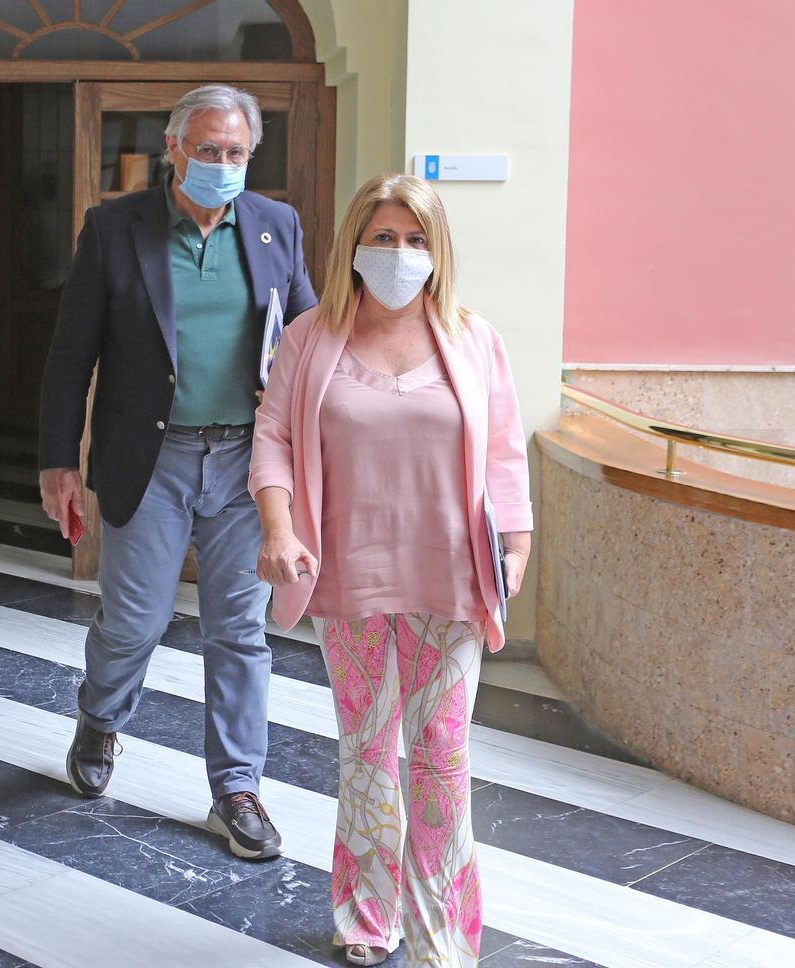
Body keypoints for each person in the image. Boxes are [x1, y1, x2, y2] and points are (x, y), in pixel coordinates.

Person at [249, 173, 533, 967]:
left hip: (452, 579)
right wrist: (278, 528)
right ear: (354, 246)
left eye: (415, 239)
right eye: (383, 237)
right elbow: (272, 437)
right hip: (349, 577)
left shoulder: (474, 338)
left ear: (437, 252)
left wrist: (516, 545)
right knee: (367, 751)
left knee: (442, 755)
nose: (399, 254)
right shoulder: (311, 336)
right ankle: (367, 917)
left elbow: (506, 449)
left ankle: (443, 935)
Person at [38, 84, 317, 859]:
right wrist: (59, 460)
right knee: (134, 621)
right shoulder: (114, 228)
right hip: (148, 459)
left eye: (236, 153)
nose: (222, 165)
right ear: (173, 149)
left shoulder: (275, 228)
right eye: (208, 150)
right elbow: (70, 359)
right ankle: (101, 718)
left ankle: (238, 785)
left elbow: (306, 337)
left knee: (240, 630)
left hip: (245, 465)